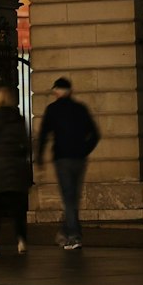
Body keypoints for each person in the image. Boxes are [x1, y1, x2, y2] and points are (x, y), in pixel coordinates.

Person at [35, 76, 100, 250]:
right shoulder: (81, 109)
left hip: (62, 158)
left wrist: (39, 158)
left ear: (57, 91)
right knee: (73, 197)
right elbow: (95, 134)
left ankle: (73, 236)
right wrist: (84, 150)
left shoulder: (52, 110)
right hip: (79, 159)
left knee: (68, 198)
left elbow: (43, 136)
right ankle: (65, 232)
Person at [0, 86, 32, 254]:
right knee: (18, 210)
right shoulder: (19, 120)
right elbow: (26, 145)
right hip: (16, 168)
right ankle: (21, 241)